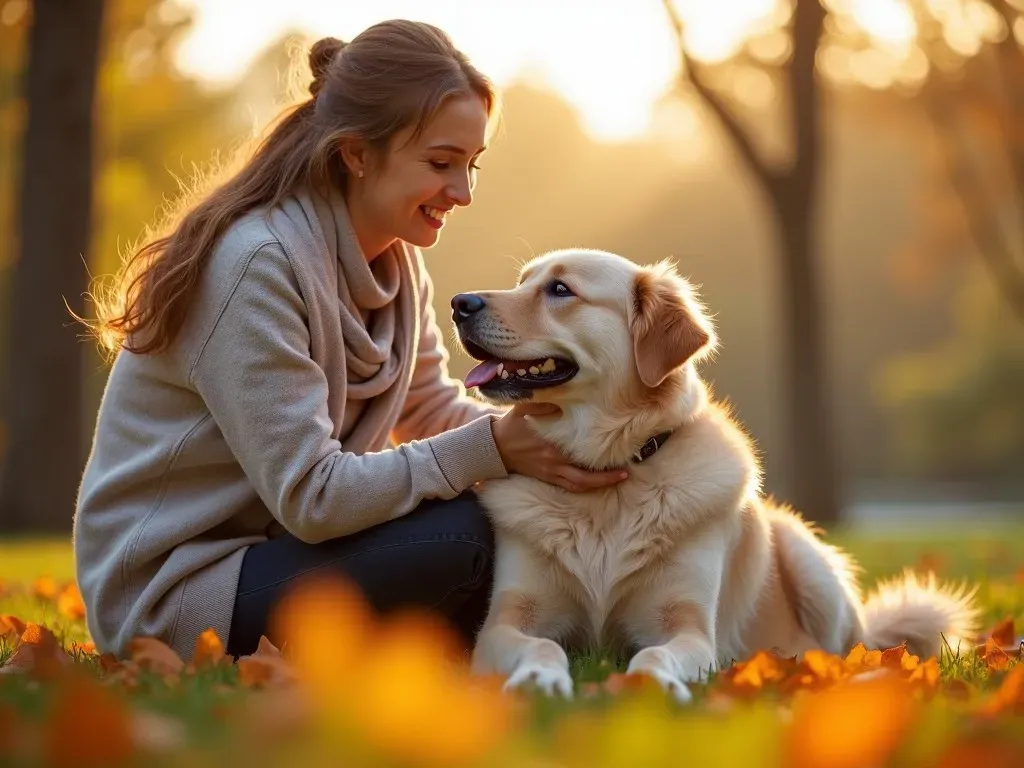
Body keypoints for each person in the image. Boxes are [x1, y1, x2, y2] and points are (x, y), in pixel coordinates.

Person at [74, 19, 628, 662]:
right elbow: (311, 495)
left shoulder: (395, 259)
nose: (464, 192)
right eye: (441, 163)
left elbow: (428, 411)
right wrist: (495, 448)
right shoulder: (257, 266)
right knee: (472, 535)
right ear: (358, 153)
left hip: (285, 552)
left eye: (471, 165)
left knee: (517, 532)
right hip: (182, 596)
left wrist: (566, 446)